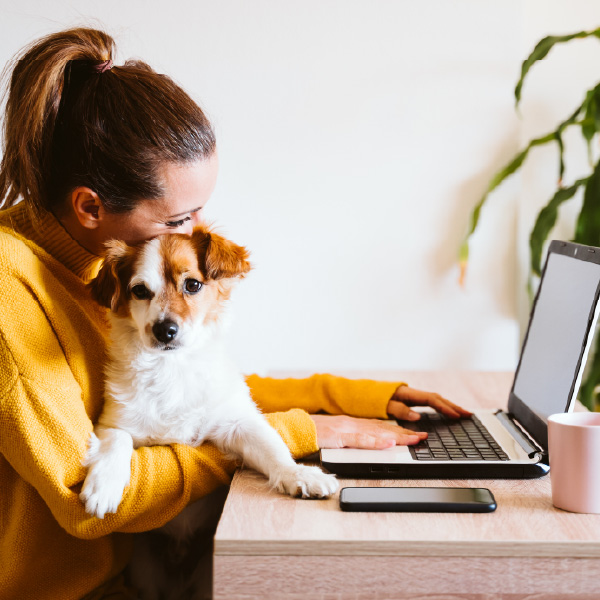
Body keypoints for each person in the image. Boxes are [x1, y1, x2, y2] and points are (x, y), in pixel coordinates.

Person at [0, 28, 471, 600]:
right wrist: (287, 436)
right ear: (90, 207)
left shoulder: (98, 270)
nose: (194, 236)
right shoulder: (13, 293)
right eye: (179, 219)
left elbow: (190, 391)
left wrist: (349, 397)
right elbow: (84, 499)